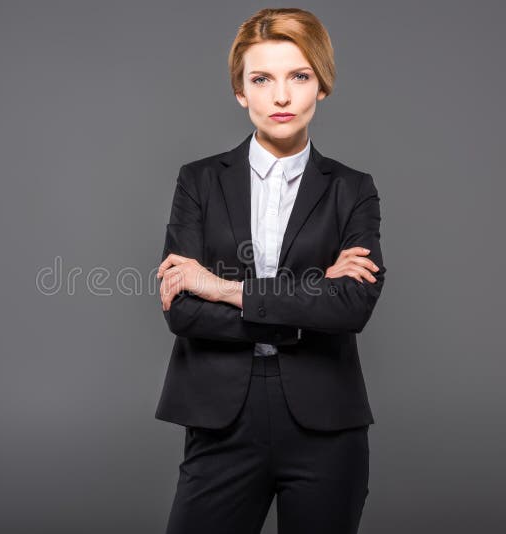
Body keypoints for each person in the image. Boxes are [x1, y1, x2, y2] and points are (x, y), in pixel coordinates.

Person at [155, 7, 386, 534]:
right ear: (241, 90)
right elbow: (183, 311)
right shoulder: (199, 182)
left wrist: (223, 288)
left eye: (299, 76)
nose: (281, 97)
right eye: (262, 79)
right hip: (221, 420)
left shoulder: (352, 189)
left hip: (326, 423)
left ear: (321, 85)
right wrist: (310, 299)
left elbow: (352, 305)